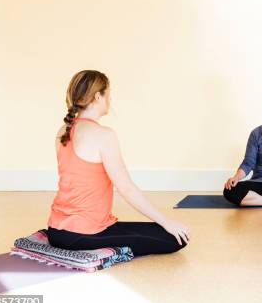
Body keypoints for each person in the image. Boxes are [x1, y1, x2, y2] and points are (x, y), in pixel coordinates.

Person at [47, 70, 190, 256]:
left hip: (56, 230)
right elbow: (126, 189)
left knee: (158, 232)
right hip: (83, 233)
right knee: (174, 238)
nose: (110, 100)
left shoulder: (62, 131)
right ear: (98, 96)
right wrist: (166, 221)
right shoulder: (104, 135)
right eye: (108, 94)